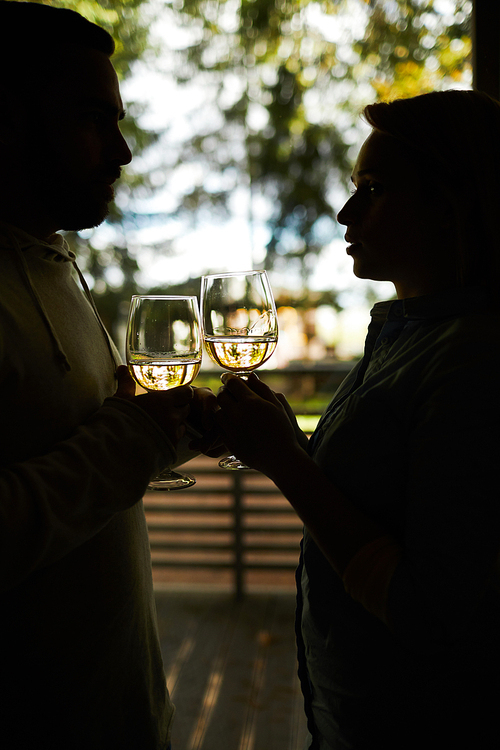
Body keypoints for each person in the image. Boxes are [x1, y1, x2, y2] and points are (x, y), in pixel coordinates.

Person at [216, 89, 500, 748]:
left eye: (372, 189)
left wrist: (285, 462)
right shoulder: (407, 334)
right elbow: (390, 491)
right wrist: (284, 438)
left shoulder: (475, 359)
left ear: (453, 203)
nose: (346, 213)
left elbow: (430, 611)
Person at [0, 2, 219, 747]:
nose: (123, 153)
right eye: (93, 120)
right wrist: (129, 441)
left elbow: (68, 438)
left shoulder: (53, 257)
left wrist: (155, 425)